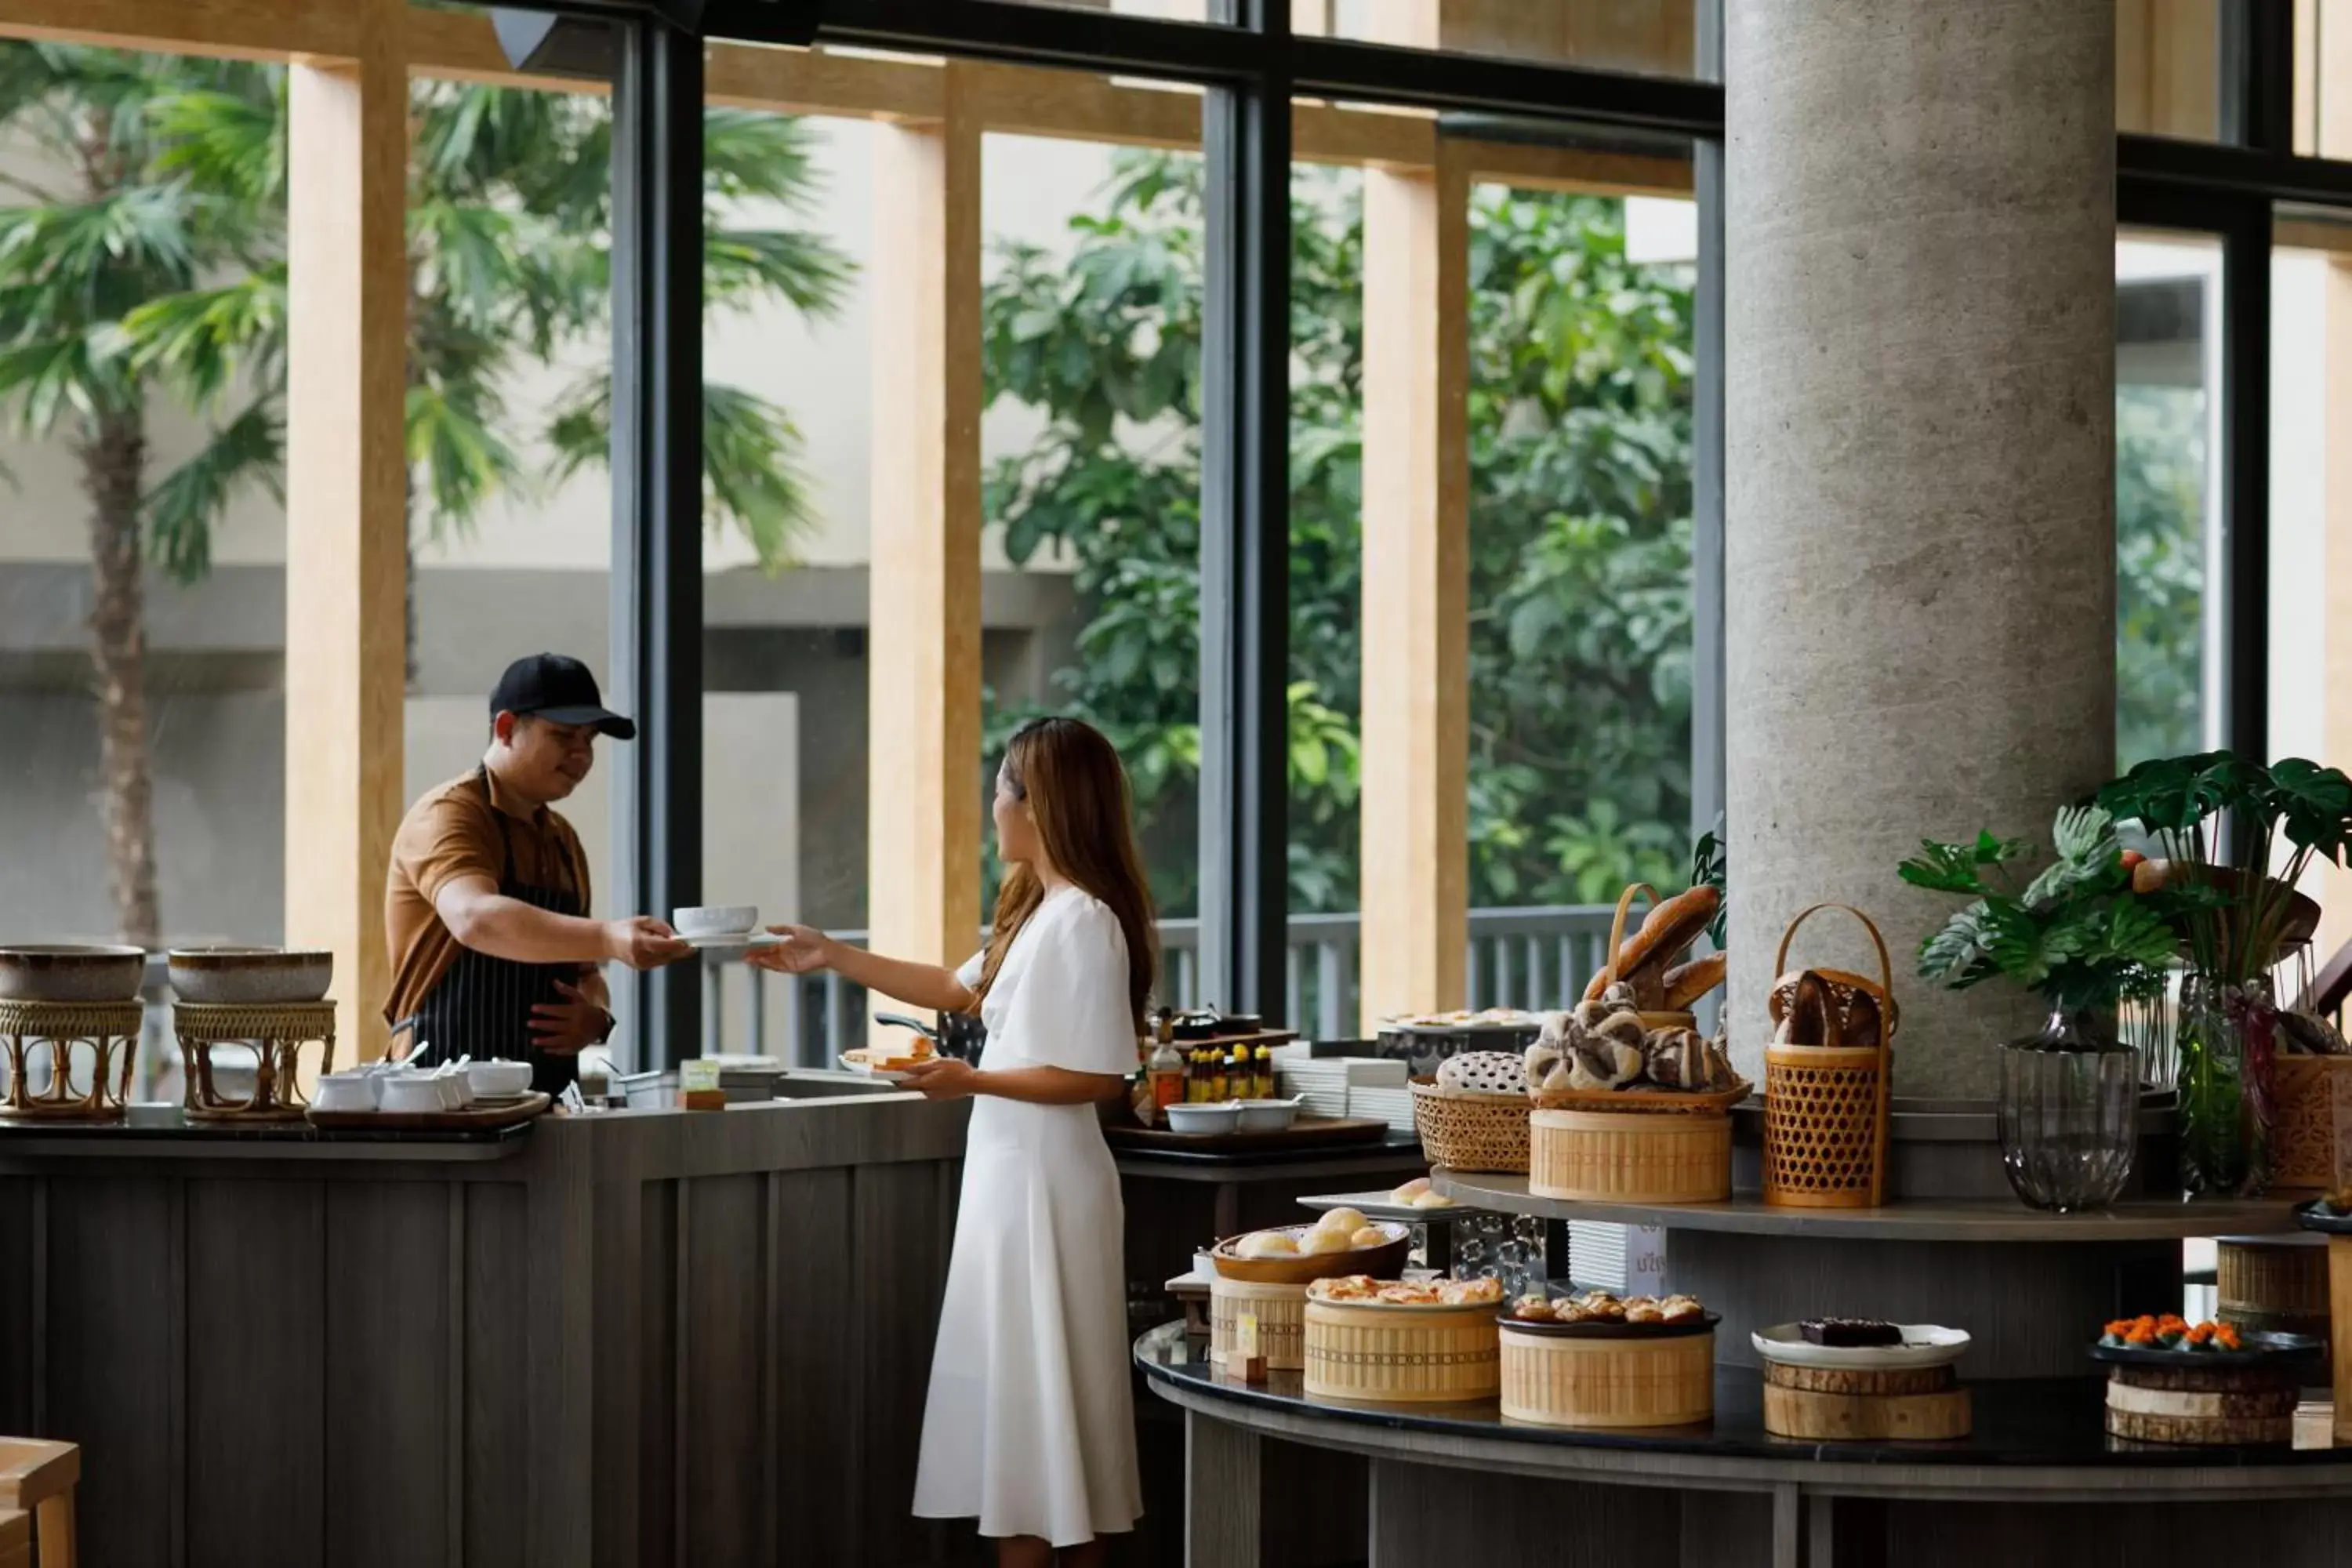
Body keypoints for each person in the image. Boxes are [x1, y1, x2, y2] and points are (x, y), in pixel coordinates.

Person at [750, 717, 1149, 1566]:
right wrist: (833, 955)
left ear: (1035, 804)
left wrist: (970, 1081)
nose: (992, 805)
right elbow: (952, 990)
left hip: (1047, 1182)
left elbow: (1100, 1078)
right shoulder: (1038, 910)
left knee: (1043, 1424)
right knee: (1035, 1420)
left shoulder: (1087, 921)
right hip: (1012, 1179)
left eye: (1000, 789)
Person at [383, 652, 691, 1092]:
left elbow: (586, 975)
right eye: (564, 736)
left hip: (548, 1100)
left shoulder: (562, 840)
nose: (581, 755)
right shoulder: (450, 814)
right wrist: (608, 937)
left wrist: (595, 1018)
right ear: (506, 728)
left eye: (590, 740)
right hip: (439, 1099)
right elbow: (474, 917)